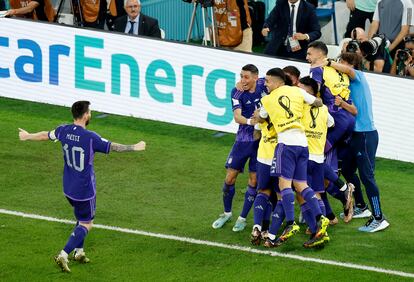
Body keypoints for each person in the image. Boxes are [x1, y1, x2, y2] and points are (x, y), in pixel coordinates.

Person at [18, 101, 146, 272]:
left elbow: (45, 135)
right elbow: (113, 147)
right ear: (85, 115)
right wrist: (135, 147)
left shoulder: (63, 130)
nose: (91, 114)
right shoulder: (90, 137)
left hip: (68, 188)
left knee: (80, 217)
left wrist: (27, 136)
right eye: (90, 111)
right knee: (86, 224)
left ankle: (79, 252)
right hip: (84, 190)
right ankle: (64, 254)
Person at [257, 68, 329, 249]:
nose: (266, 85)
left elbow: (261, 117)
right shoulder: (298, 91)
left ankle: (290, 223)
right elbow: (318, 102)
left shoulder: (267, 99)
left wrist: (261, 114)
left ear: (276, 82)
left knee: (284, 185)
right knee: (301, 184)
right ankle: (321, 217)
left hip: (285, 144)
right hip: (303, 143)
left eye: (267, 81)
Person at [323, 52, 390, 232]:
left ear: (350, 64)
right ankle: (361, 206)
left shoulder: (358, 76)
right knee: (347, 170)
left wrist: (328, 62)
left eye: (341, 62)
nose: (338, 65)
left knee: (368, 177)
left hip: (365, 135)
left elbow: (348, 70)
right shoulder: (345, 85)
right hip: (355, 136)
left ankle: (379, 217)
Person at [212, 64, 265, 232]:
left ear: (256, 77)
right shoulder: (237, 93)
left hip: (261, 142)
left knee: (254, 181)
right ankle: (227, 213)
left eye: (246, 77)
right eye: (241, 76)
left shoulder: (264, 84)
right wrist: (251, 122)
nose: (243, 80)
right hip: (243, 140)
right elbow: (237, 117)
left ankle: (242, 218)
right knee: (229, 179)